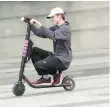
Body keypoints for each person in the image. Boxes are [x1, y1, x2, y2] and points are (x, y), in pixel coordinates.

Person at [21, 7, 72, 86]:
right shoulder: (56, 28)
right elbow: (40, 33)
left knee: (39, 65)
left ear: (59, 16)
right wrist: (29, 23)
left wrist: (38, 23)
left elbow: (52, 35)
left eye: (53, 17)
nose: (51, 19)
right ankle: (46, 78)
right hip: (56, 56)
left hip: (63, 60)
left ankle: (56, 74)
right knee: (34, 51)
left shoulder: (65, 28)